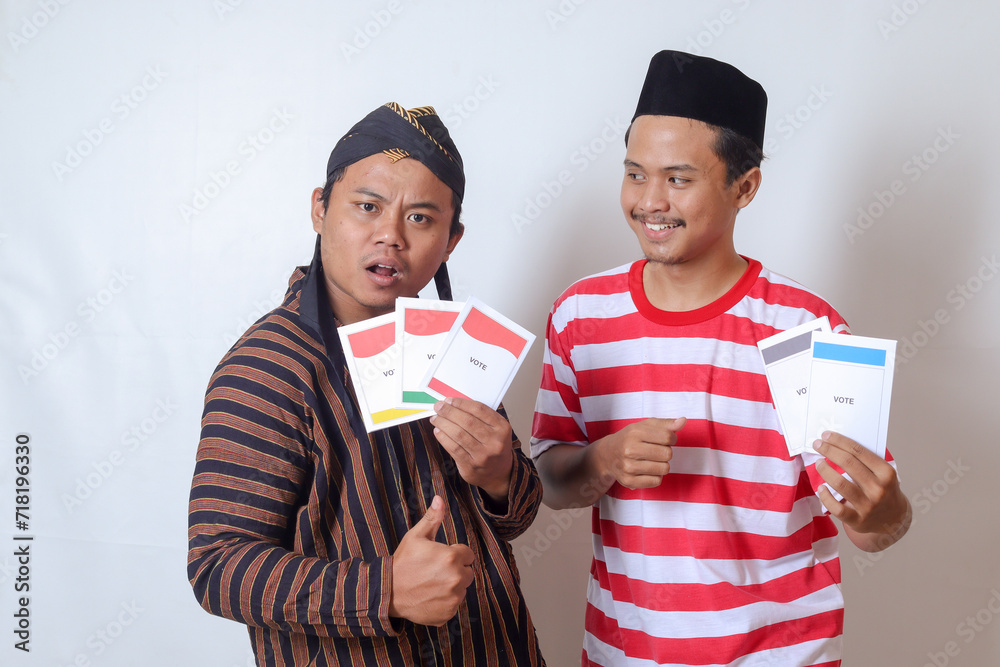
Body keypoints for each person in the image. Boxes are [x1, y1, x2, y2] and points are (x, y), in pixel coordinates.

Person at [530, 51, 911, 666]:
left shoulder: (806, 328)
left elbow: (873, 526)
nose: (650, 200)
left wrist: (885, 510)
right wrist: (606, 458)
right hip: (623, 654)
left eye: (678, 178)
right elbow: (548, 481)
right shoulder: (581, 315)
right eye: (634, 174)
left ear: (746, 186)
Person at [188, 102, 546, 666]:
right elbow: (217, 566)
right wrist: (387, 590)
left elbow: (519, 514)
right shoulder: (268, 367)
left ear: (452, 240)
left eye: (421, 218)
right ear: (320, 208)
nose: (391, 236)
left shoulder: (456, 349)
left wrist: (500, 476)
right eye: (367, 206)